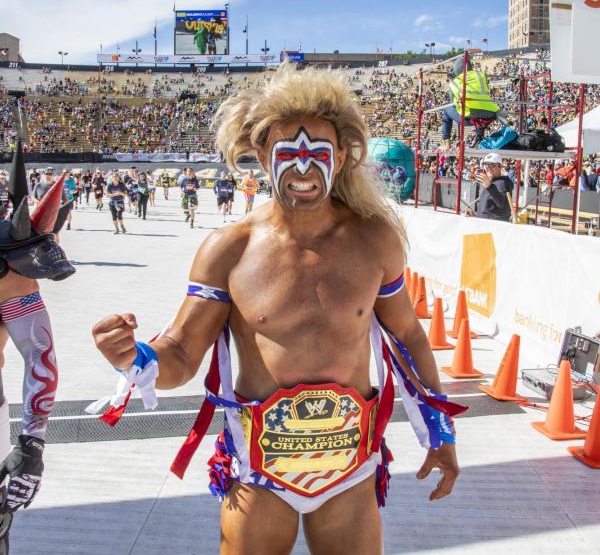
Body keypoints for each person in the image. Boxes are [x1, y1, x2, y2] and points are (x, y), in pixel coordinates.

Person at [92, 63, 463, 554]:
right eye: (290, 152)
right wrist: (135, 359)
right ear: (261, 153)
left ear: (344, 157)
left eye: (319, 153)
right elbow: (182, 350)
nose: (305, 168)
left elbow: (411, 338)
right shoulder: (229, 248)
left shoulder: (374, 240)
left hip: (349, 469)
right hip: (260, 472)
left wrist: (440, 431)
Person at [0, 143, 75, 552]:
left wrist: (32, 443)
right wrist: (32, 442)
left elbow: (38, 353)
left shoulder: (12, 278)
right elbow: (40, 354)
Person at [441, 55, 500, 149]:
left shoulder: (454, 82)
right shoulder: (481, 75)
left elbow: (454, 103)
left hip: (470, 116)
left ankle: (445, 141)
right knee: (479, 107)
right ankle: (479, 137)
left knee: (447, 109)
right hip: (490, 114)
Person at [466, 152, 514, 222]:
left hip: (493, 228)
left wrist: (489, 186)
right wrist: (476, 215)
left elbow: (501, 204)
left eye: (493, 165)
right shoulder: (492, 183)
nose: (489, 168)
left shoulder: (501, 183)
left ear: (500, 166)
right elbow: (490, 211)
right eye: (486, 165)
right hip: (486, 225)